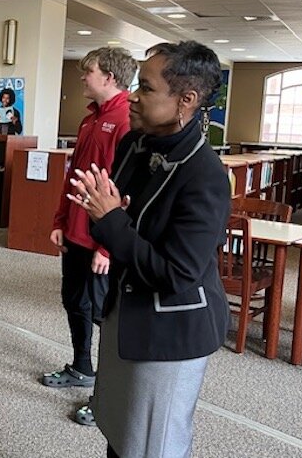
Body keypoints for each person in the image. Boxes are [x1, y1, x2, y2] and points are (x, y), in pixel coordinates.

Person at [67, 41, 230, 458]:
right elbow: (108, 216)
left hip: (170, 334)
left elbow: (176, 274)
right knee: (119, 433)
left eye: (147, 87)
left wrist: (113, 222)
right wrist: (109, 221)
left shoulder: (205, 174)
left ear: (186, 100)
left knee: (152, 446)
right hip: (127, 313)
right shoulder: (137, 144)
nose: (135, 95)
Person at [41, 48, 137, 425]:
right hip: (76, 231)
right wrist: (60, 219)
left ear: (110, 77)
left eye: (89, 71)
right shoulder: (89, 120)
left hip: (103, 240)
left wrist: (106, 247)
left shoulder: (126, 120)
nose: (83, 77)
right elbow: (74, 175)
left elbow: (124, 190)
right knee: (74, 301)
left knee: (104, 315)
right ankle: (82, 367)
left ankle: (110, 398)